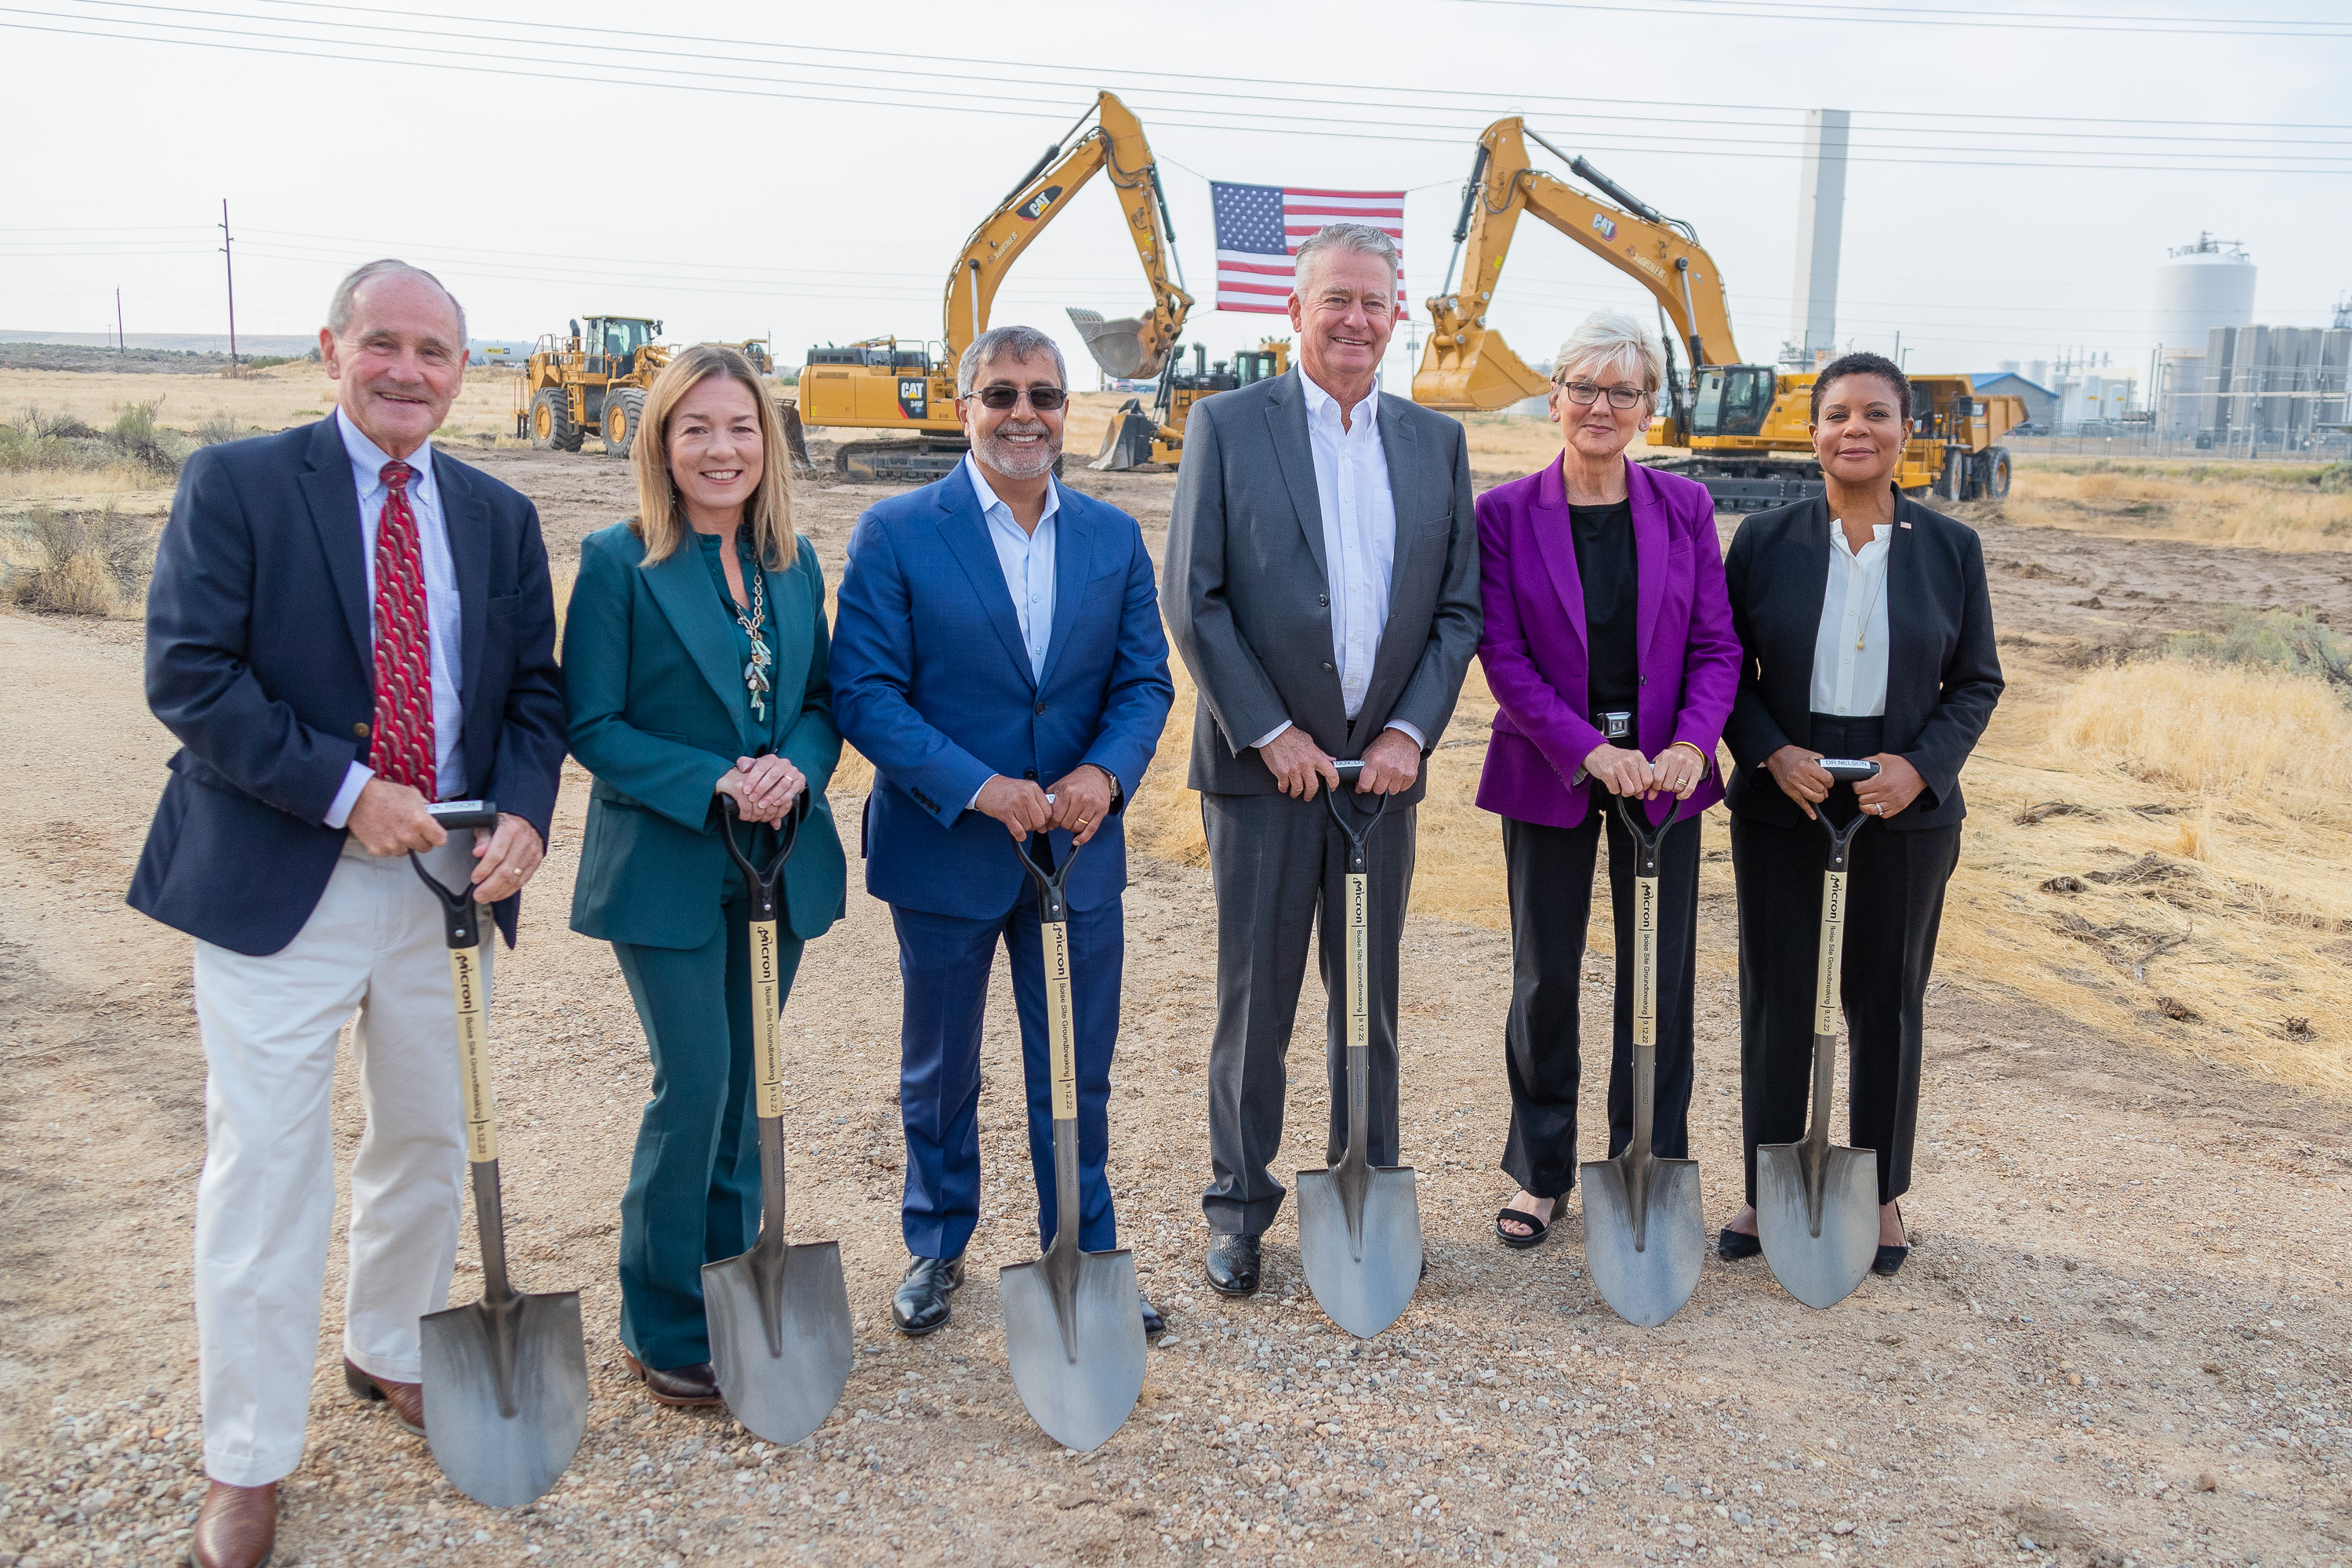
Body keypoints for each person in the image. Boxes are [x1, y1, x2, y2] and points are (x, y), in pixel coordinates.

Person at [129, 260, 566, 1568]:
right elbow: (189, 672)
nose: (406, 372)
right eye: (383, 343)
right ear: (332, 349)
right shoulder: (239, 485)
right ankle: (248, 1456)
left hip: (446, 885)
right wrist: (346, 792)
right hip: (280, 878)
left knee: (428, 1138)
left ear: (463, 372)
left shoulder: (495, 513)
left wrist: (526, 812)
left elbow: (533, 695)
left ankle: (390, 1348)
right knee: (267, 1169)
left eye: (434, 352)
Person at [831, 324, 1174, 1338]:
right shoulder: (896, 531)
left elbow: (1144, 681)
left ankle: (1085, 1251)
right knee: (941, 1068)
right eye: (1002, 395)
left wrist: (1105, 774)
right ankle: (938, 1244)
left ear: (1067, 410)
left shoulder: (1112, 537)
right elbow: (866, 692)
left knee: (1075, 1065)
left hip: (1078, 851)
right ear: (964, 407)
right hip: (944, 849)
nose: (1024, 414)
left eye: (1044, 395)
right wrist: (981, 788)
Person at [1163, 221, 1482, 1297]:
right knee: (1257, 1001)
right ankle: (1238, 1205)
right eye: (1334, 299)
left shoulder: (1435, 442)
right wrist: (1269, 730)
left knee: (1369, 1000)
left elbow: (1457, 609)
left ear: (1398, 316)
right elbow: (1195, 596)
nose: (1354, 319)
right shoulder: (1227, 425)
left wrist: (1407, 734)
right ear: (1293, 311)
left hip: (1380, 781)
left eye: (1372, 301)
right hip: (1263, 776)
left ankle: (1367, 1189)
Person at [562, 345, 848, 1404]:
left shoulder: (794, 561)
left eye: (740, 427)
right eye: (697, 429)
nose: (721, 449)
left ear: (767, 441)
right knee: (697, 1083)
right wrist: (716, 780)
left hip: (778, 860)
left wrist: (794, 769)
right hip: (667, 862)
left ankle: (732, 1291)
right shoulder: (616, 562)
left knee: (750, 1086)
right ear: (662, 442)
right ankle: (663, 1319)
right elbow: (592, 723)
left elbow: (820, 704)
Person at [1716, 350, 2002, 1276]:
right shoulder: (1764, 540)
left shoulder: (1951, 548)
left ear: (1905, 433)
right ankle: (1767, 1183)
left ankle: (1878, 1190)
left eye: (1876, 413)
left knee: (1886, 998)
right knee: (1778, 995)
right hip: (1785, 796)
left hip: (1903, 804)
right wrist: (1771, 750)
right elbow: (1722, 667)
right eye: (1838, 413)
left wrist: (1921, 768)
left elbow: (1977, 680)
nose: (1856, 429)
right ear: (1812, 433)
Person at [1472, 311, 1740, 1249]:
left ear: (1648, 408)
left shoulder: (1686, 507)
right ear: (1554, 398)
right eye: (1584, 387)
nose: (1601, 406)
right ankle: (1542, 1171)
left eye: (1623, 391)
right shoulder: (1504, 513)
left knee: (1659, 974)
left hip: (1665, 774)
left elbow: (1717, 645)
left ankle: (1647, 1160)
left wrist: (1695, 743)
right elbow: (1503, 657)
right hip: (1551, 766)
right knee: (1545, 973)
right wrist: (1589, 748)